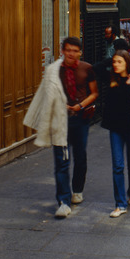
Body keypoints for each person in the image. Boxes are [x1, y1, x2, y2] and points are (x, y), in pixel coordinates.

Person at [23, 36, 98, 218]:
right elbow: (46, 93)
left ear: (80, 52)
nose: (71, 54)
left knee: (80, 157)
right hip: (60, 120)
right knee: (61, 162)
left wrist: (80, 106)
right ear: (62, 51)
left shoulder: (87, 68)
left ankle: (77, 190)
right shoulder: (54, 71)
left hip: (80, 120)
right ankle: (63, 202)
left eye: (75, 51)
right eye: (68, 50)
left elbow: (94, 93)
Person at [100, 49, 130, 218]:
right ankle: (120, 204)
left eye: (119, 62)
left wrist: (128, 84)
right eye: (114, 62)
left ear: (127, 63)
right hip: (115, 128)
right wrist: (110, 59)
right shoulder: (112, 79)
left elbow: (129, 102)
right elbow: (96, 68)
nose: (115, 65)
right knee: (118, 166)